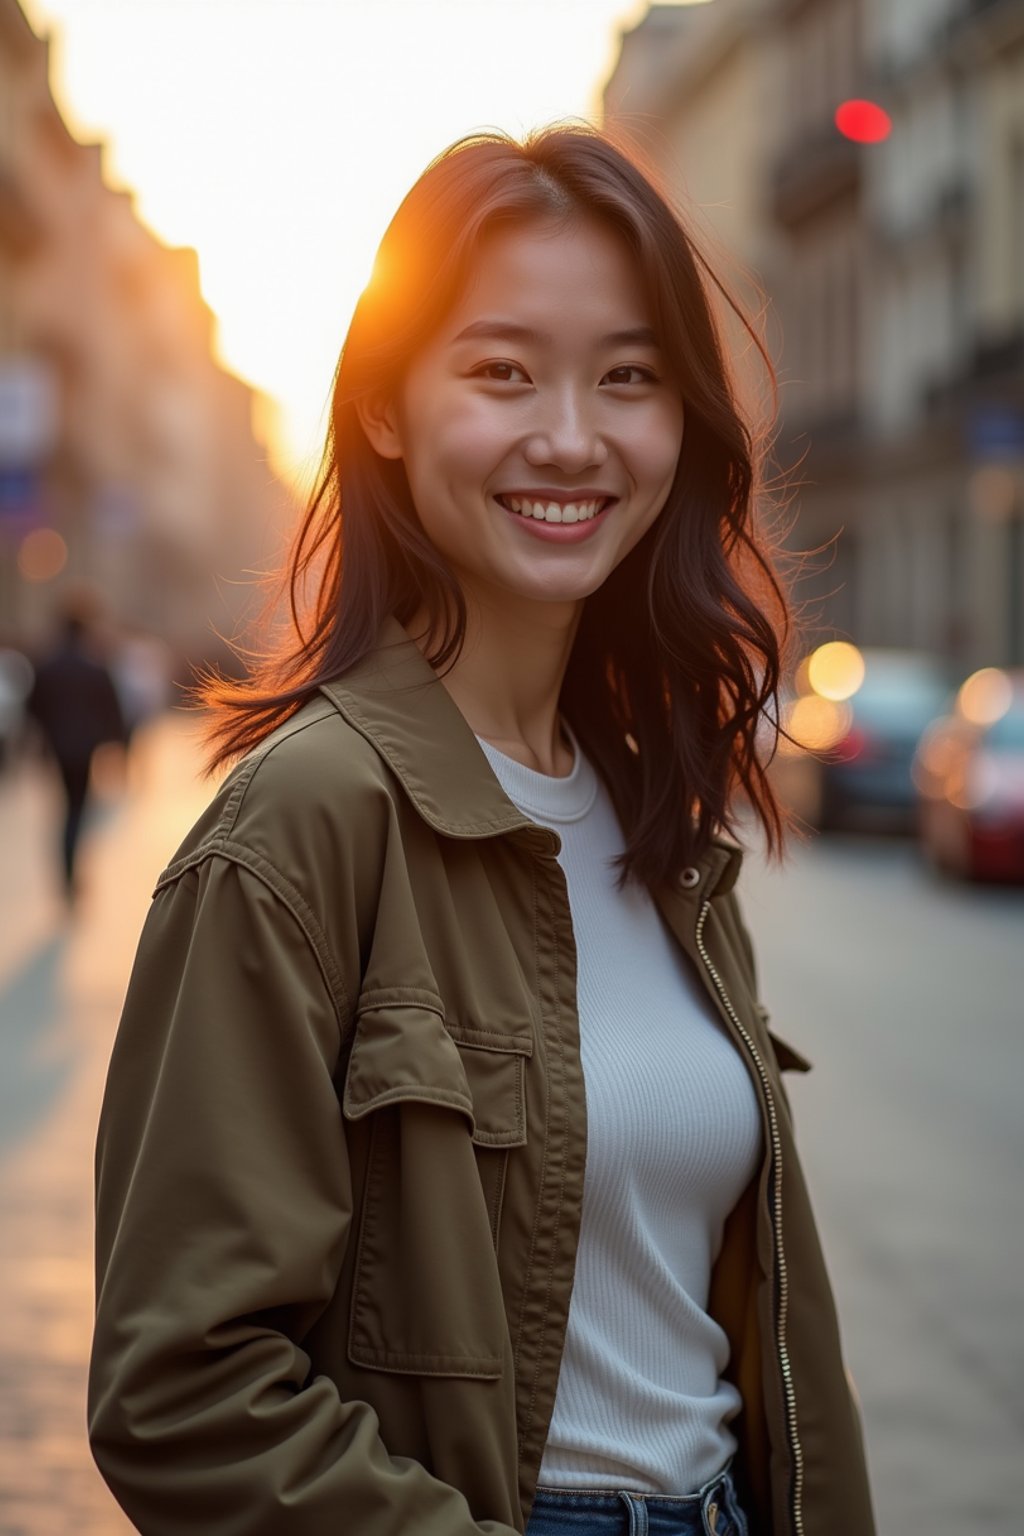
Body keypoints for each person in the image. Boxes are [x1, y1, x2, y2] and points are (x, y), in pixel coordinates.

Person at [88, 127, 875, 1536]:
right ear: (388, 407)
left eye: (627, 377)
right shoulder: (301, 829)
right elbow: (183, 1389)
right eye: (502, 371)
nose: (571, 436)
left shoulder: (662, 823)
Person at [26, 596, 125, 896]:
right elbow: (111, 708)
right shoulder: (94, 667)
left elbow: (33, 708)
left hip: (58, 747)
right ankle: (73, 866)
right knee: (78, 809)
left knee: (67, 809)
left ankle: (67, 869)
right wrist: (115, 744)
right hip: (85, 748)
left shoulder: (48, 666)